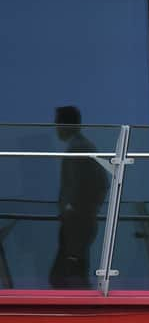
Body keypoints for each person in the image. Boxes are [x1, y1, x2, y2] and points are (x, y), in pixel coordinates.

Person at [49, 106, 108, 289]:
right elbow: (102, 183)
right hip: (82, 219)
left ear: (67, 125)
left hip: (77, 221)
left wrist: (72, 208)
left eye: (58, 123)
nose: (56, 128)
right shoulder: (83, 146)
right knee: (73, 270)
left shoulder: (79, 148)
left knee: (67, 274)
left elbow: (77, 185)